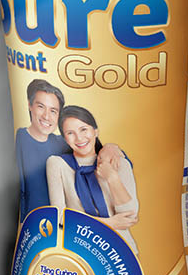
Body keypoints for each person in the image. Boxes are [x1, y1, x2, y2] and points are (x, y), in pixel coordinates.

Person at [15, 78, 124, 221]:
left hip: (65, 226)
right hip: (33, 225)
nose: (46, 116)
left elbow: (100, 153)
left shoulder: (63, 143)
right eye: (40, 106)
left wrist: (110, 148)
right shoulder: (19, 138)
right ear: (30, 105)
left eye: (53, 111)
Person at [45, 106, 139, 252]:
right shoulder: (57, 164)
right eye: (70, 133)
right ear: (65, 138)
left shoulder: (118, 161)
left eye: (83, 129)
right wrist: (109, 223)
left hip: (121, 250)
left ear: (95, 131)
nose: (79, 138)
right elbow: (60, 217)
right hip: (79, 248)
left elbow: (129, 215)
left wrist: (112, 177)